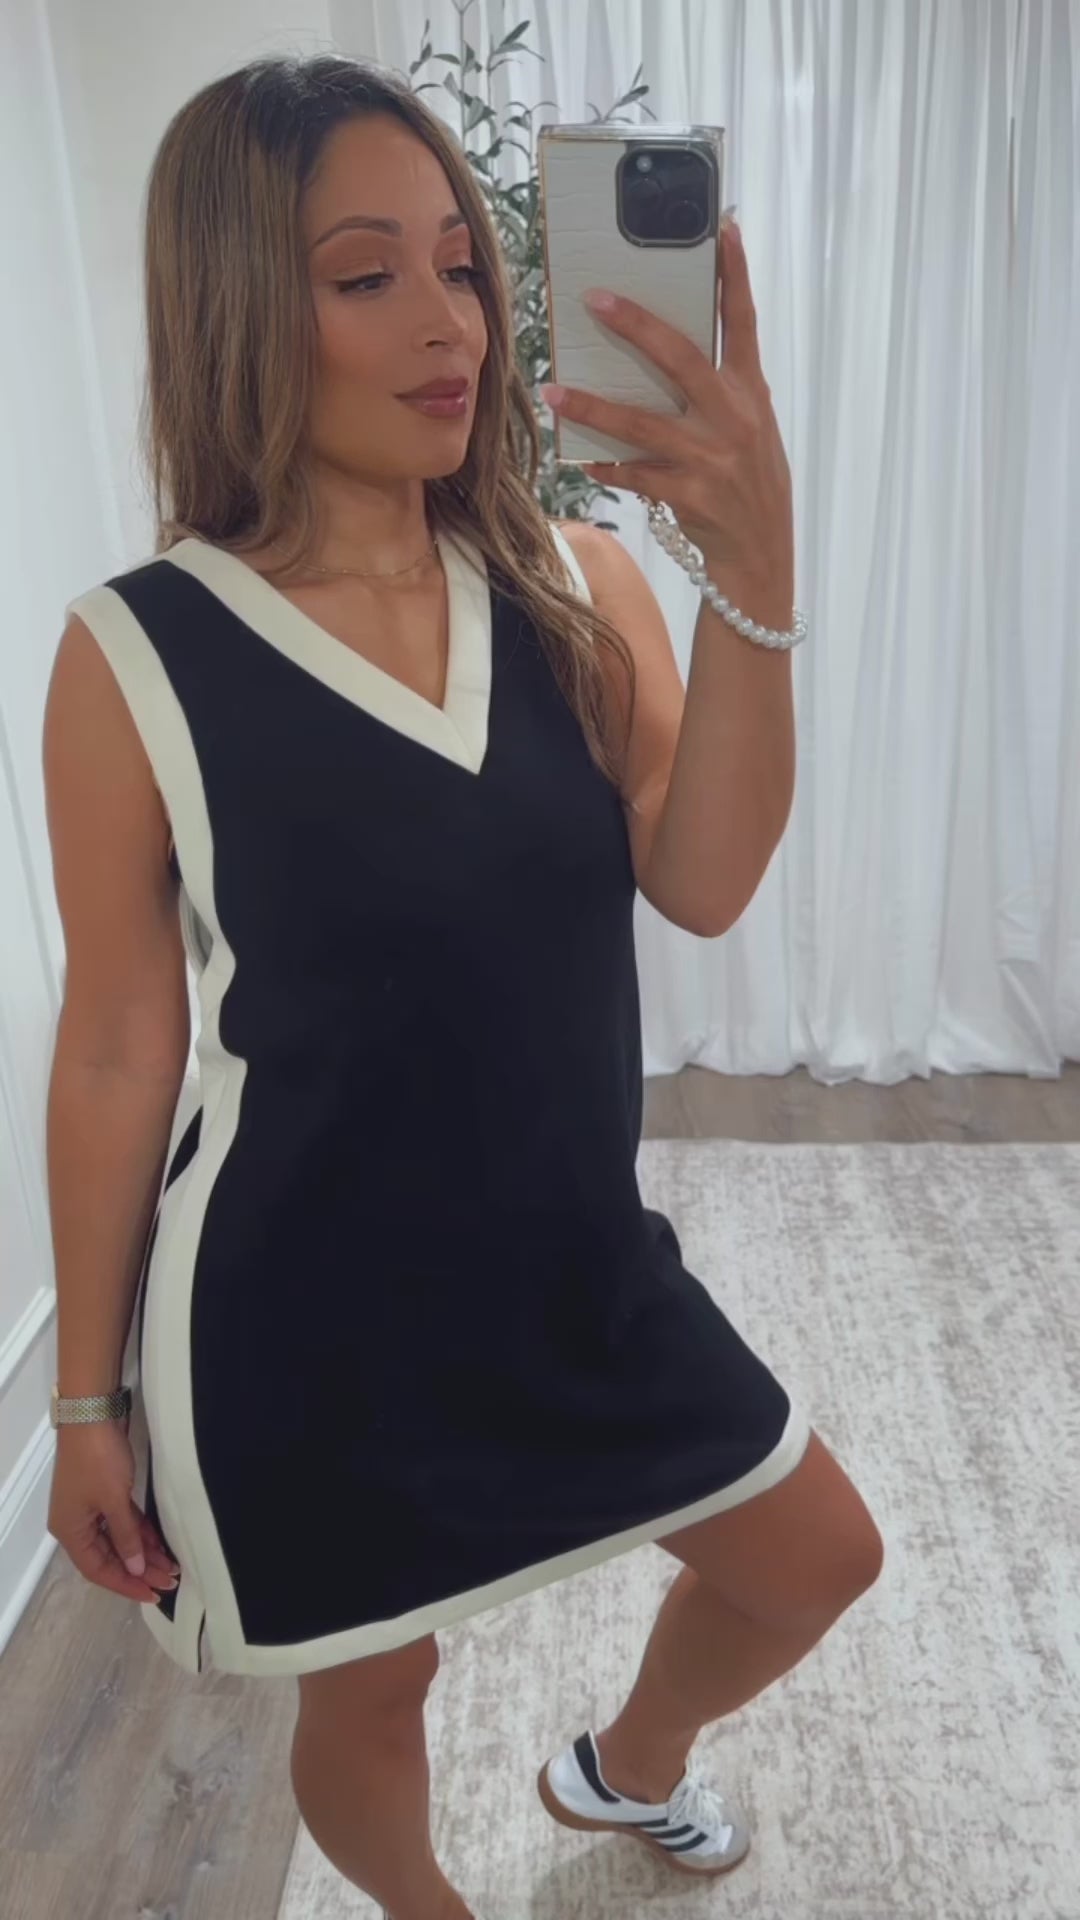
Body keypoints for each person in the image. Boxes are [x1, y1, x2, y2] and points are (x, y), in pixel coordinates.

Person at [42, 53, 883, 1920]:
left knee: (818, 1557)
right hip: (305, 1319)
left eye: (461, 265)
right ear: (239, 309)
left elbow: (706, 880)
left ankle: (623, 1768)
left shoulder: (580, 588)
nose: (453, 327)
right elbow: (115, 1044)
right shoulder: (137, 655)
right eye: (367, 276)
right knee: (375, 1685)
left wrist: (754, 575)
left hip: (576, 1268)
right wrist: (86, 1401)